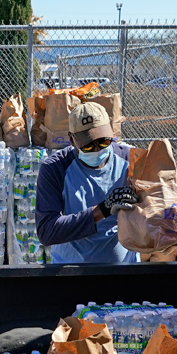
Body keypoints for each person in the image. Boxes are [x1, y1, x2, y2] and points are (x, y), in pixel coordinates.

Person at [35, 102, 139, 264]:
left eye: (104, 142)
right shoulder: (55, 169)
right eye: (89, 145)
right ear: (71, 140)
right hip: (72, 273)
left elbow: (153, 209)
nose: (98, 149)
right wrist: (101, 211)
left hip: (123, 271)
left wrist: (175, 231)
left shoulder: (129, 160)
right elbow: (47, 231)